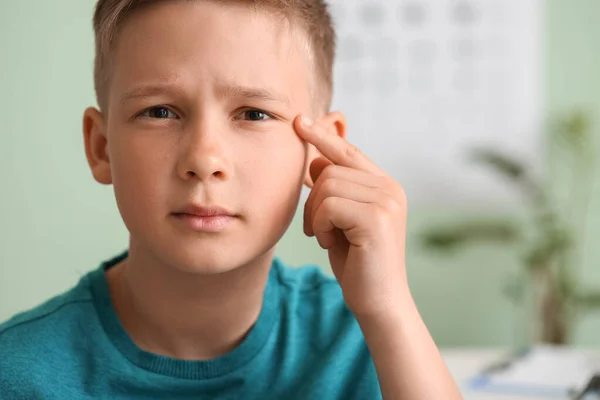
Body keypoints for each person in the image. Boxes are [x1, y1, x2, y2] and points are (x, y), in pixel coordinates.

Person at [0, 0, 462, 399]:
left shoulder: (368, 339)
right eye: (160, 111)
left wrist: (389, 308)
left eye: (254, 113)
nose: (204, 158)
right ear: (101, 147)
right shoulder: (16, 373)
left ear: (318, 149)